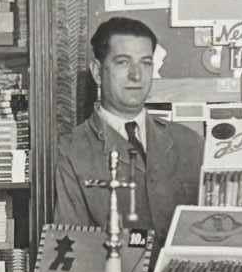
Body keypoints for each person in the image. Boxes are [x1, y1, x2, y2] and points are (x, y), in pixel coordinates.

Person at [53, 17, 203, 239]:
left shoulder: (189, 143)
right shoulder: (72, 151)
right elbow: (71, 247)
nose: (136, 75)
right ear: (97, 72)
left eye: (145, 63)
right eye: (123, 62)